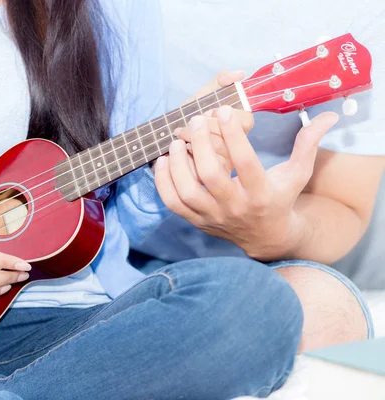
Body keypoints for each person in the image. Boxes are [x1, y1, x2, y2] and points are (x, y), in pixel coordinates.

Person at [0, 0, 346, 398]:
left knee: (256, 303)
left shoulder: (114, 8)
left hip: (70, 337)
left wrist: (173, 167)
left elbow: (116, 217)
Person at [125, 0, 385, 353]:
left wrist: (275, 232)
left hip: (247, 263)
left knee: (329, 315)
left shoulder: (363, 16)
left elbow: (342, 204)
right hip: (96, 235)